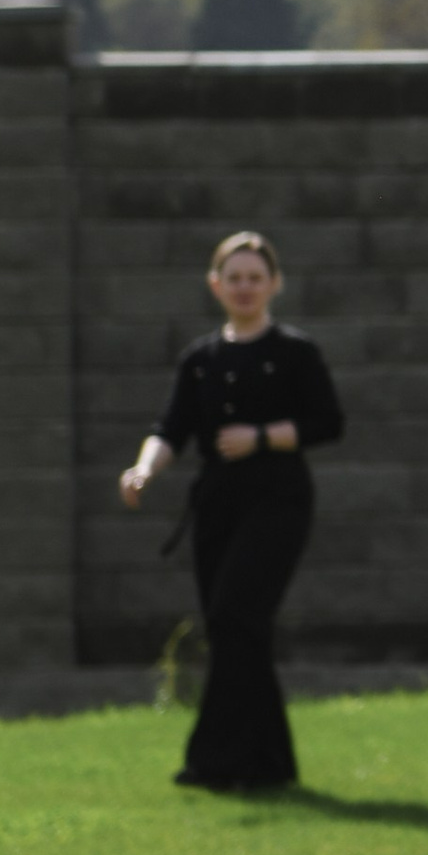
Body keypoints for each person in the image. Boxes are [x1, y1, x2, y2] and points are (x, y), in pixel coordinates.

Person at [120, 229, 344, 793]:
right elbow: (170, 430)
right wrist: (145, 469)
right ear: (216, 285)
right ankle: (270, 764)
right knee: (239, 632)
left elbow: (328, 423)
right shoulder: (200, 361)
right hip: (219, 505)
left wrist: (262, 437)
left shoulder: (296, 353)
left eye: (255, 278)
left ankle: (215, 761)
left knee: (235, 616)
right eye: (234, 278)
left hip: (279, 502)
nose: (245, 288)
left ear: (274, 285)